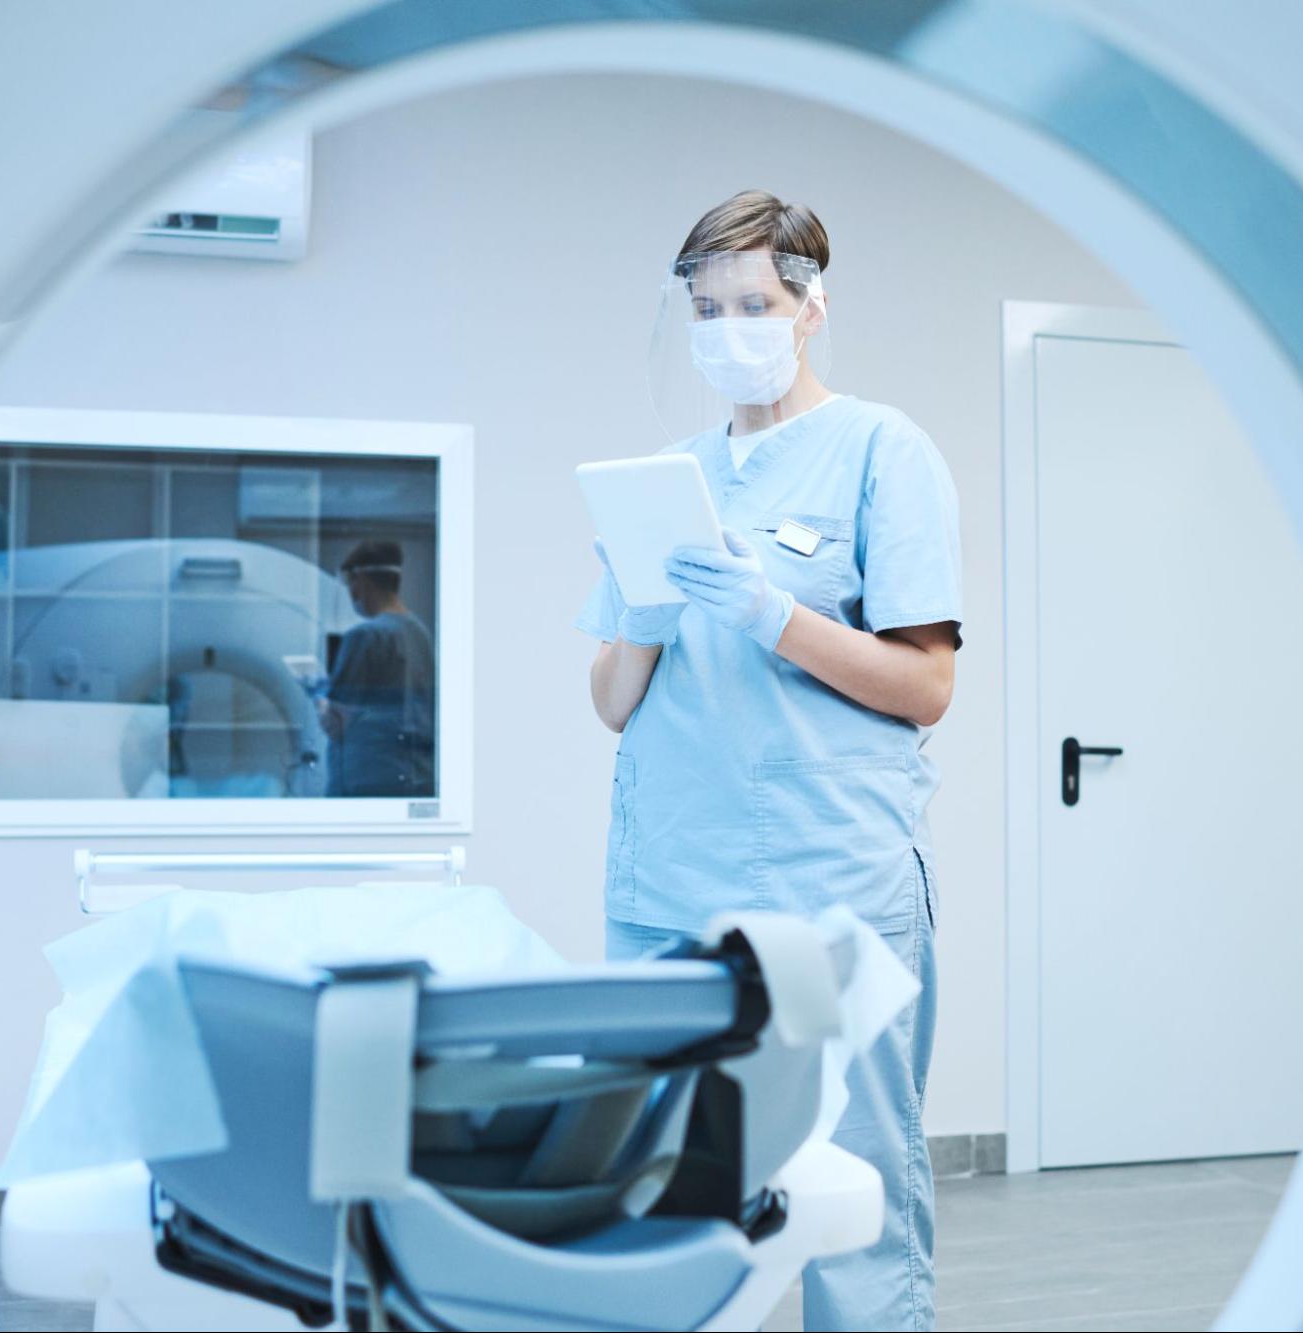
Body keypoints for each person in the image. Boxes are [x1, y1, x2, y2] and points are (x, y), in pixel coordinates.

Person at [576, 190, 962, 1331]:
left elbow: (926, 683)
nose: (728, 327)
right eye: (707, 307)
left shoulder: (880, 451)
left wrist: (770, 614)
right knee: (665, 1191)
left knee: (854, 1194)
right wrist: (643, 618)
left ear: (808, 306)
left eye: (752, 302)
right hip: (669, 883)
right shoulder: (664, 475)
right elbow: (609, 702)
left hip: (826, 881)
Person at [321, 539, 436, 796]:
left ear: (360, 579)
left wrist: (316, 695)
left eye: (349, 582)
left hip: (366, 781)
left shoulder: (365, 636)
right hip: (414, 776)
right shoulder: (420, 633)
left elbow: (336, 724)